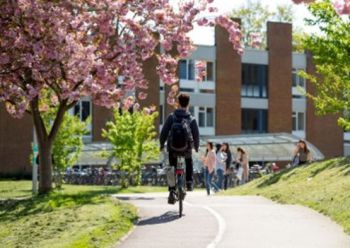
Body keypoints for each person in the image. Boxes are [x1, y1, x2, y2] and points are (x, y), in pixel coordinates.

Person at [160, 93, 200, 204]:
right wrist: (196, 147)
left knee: (171, 167)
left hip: (172, 149)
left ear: (178, 103)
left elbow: (163, 133)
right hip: (186, 150)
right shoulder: (191, 119)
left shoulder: (172, 117)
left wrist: (161, 144)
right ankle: (189, 182)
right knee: (189, 161)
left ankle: (172, 190)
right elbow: (196, 135)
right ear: (188, 104)